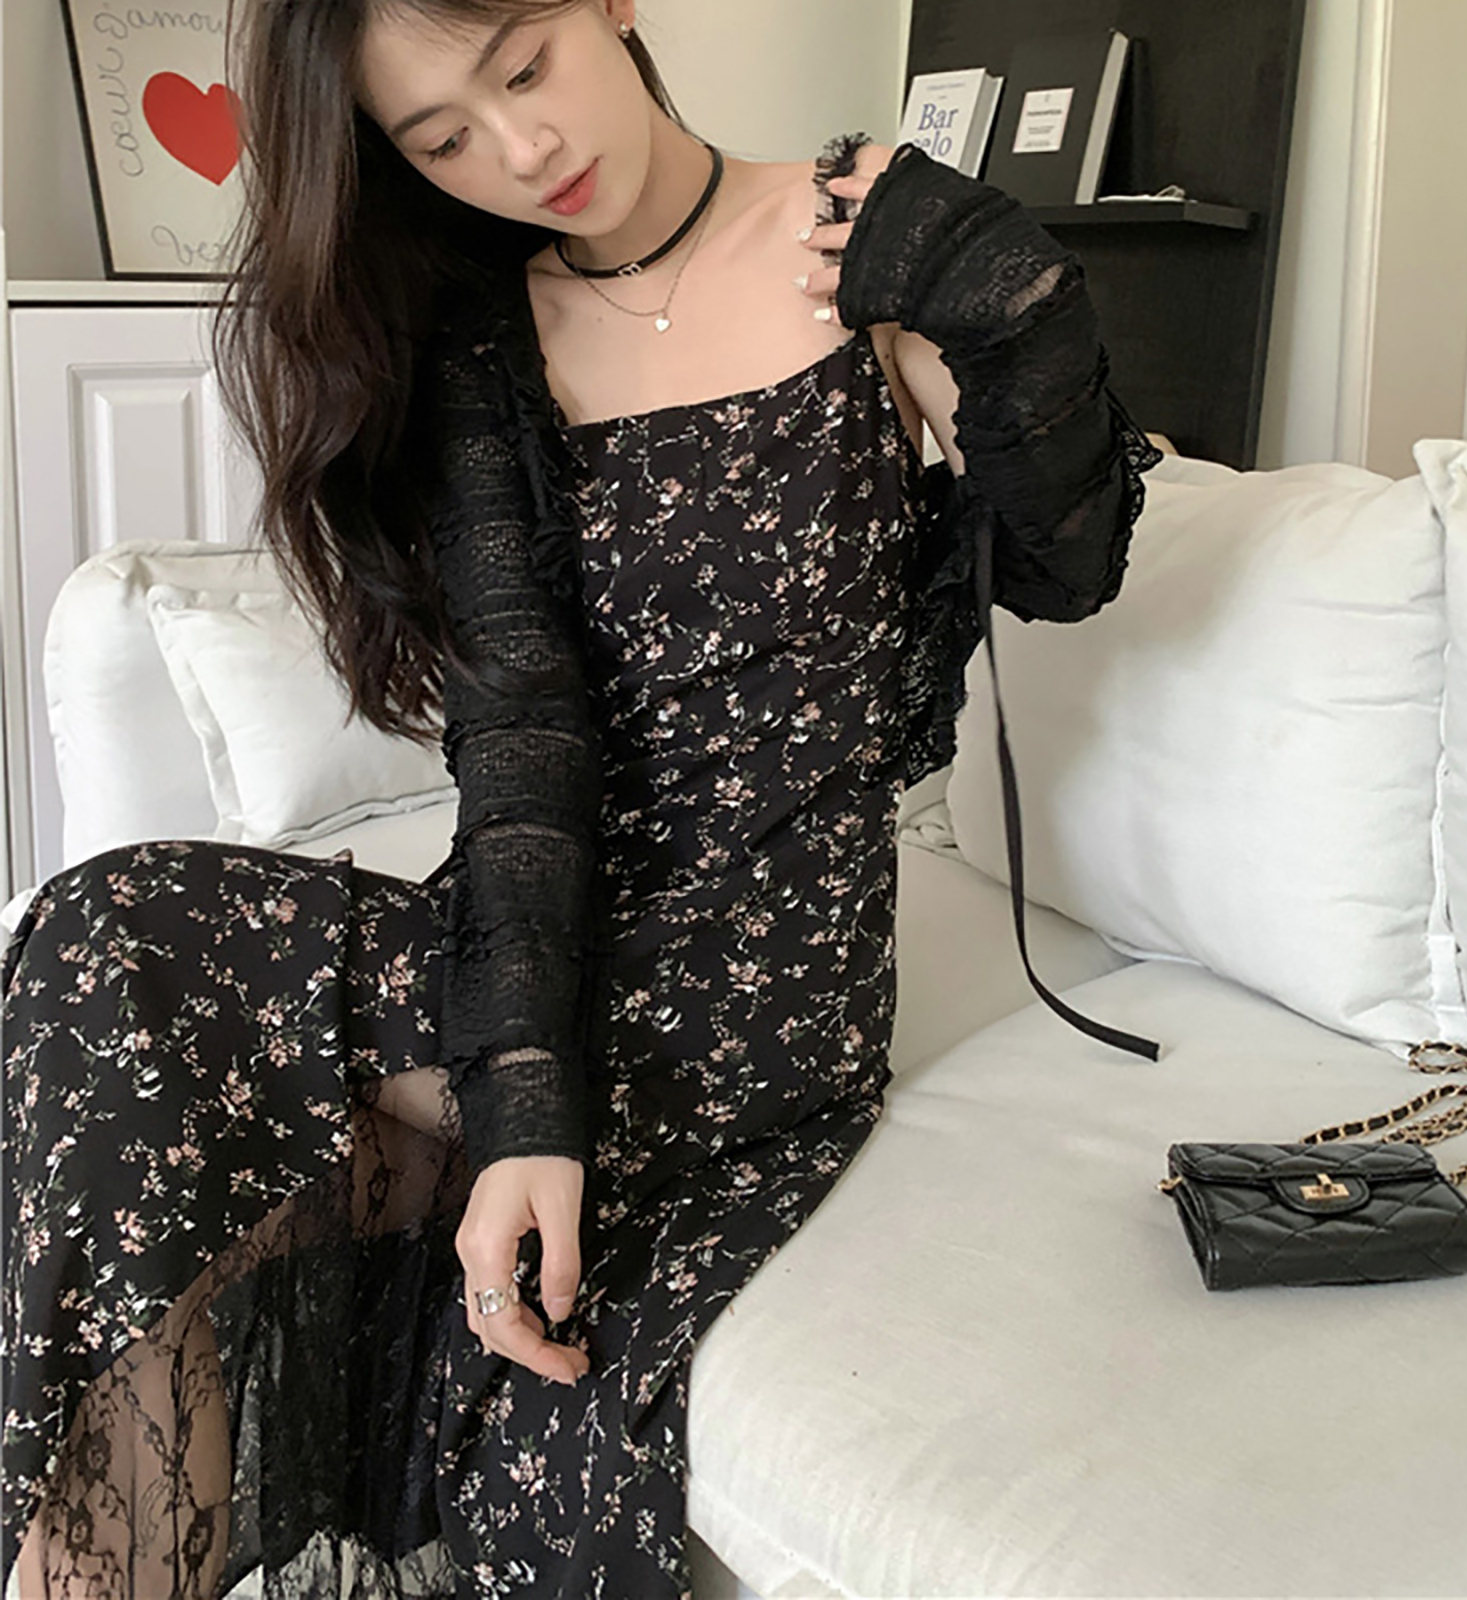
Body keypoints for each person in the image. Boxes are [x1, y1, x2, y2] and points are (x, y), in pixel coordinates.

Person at [0, 0, 1164, 1593]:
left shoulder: (863, 242)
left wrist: (992, 289)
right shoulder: (488, 344)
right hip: (543, 949)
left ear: (611, 2)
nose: (522, 148)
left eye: (526, 67)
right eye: (444, 139)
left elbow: (1069, 564)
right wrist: (527, 1104)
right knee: (107, 936)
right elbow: (525, 741)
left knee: (252, 1159)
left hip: (762, 984)